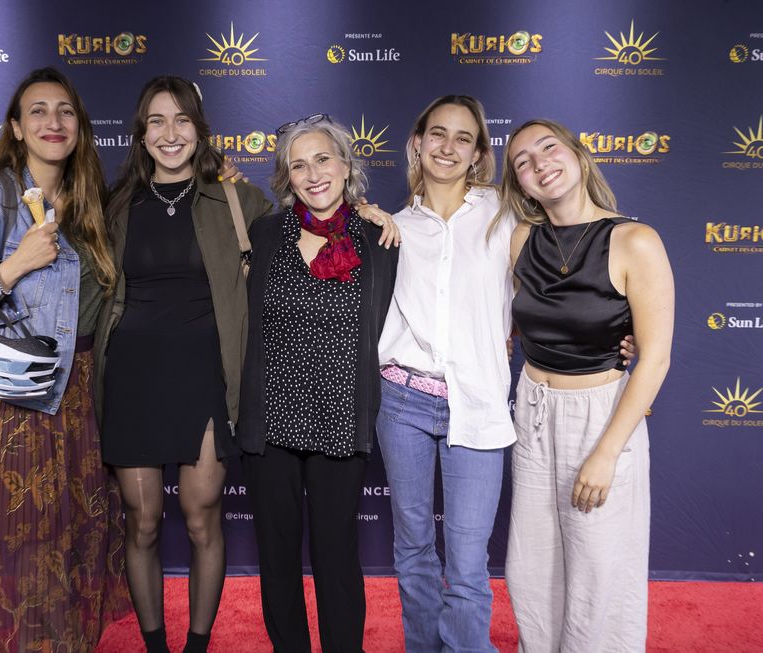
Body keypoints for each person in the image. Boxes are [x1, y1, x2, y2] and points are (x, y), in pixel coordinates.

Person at [0, 67, 128, 653]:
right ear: (16, 128)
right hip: (11, 400)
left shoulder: (91, 203)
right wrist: (14, 265)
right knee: (15, 543)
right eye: (37, 111)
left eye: (64, 110)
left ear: (79, 127)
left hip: (78, 393)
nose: (52, 121)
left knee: (67, 543)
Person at [92, 76, 273, 653]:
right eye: (156, 122)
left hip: (206, 379)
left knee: (201, 516)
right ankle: (154, 645)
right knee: (141, 522)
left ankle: (196, 646)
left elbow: (312, 230)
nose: (170, 134)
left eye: (182, 120)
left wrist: (367, 211)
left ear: (200, 128)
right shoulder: (116, 205)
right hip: (134, 378)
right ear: (141, 135)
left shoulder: (239, 201)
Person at [499, 119, 673, 652]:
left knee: (601, 570)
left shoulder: (634, 240)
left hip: (600, 414)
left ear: (577, 154)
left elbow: (655, 358)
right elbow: (522, 319)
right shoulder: (521, 239)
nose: (538, 164)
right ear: (519, 185)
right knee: (532, 567)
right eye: (523, 162)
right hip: (531, 407)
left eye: (548, 148)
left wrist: (605, 454)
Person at [236, 114, 398, 653]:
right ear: (286, 178)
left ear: (347, 164)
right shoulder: (265, 233)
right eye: (297, 165)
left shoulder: (378, 237)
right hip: (271, 420)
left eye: (323, 158)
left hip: (339, 418)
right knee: (277, 556)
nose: (313, 173)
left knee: (336, 554)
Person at [372, 95, 514, 653]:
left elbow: (553, 285)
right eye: (437, 133)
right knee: (412, 547)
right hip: (401, 401)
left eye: (463, 138)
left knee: (469, 556)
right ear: (418, 142)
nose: (448, 147)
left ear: (478, 153)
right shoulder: (393, 226)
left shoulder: (505, 214)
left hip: (476, 402)